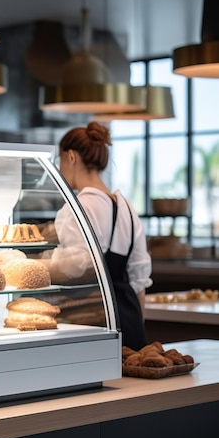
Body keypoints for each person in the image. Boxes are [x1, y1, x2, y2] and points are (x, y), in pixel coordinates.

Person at [45, 121, 152, 351]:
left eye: (60, 161)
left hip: (90, 324)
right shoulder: (127, 207)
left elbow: (73, 270)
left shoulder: (76, 208)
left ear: (71, 157)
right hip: (129, 322)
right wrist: (137, 336)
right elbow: (139, 282)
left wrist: (30, 265)